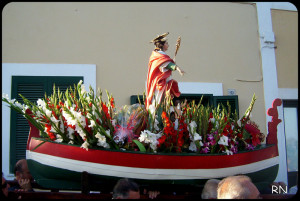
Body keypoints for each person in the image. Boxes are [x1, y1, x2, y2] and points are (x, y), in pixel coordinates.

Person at [146, 32, 185, 110]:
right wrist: (178, 69)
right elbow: (168, 65)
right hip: (160, 83)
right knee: (158, 103)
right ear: (162, 45)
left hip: (165, 82)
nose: (168, 45)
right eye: (167, 43)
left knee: (165, 102)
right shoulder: (159, 56)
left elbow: (167, 64)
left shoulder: (161, 56)